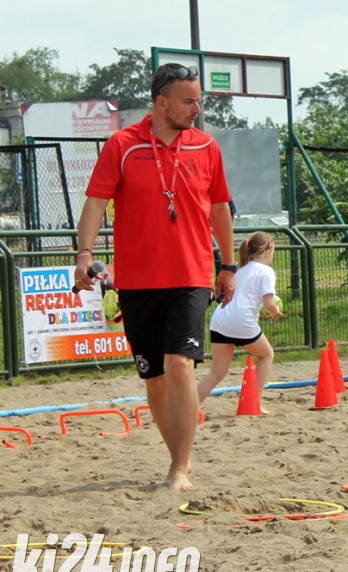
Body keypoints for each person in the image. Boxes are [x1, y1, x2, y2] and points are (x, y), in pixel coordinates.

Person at [76, 63, 236, 492]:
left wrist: (228, 264)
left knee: (180, 364)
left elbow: (220, 207)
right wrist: (84, 255)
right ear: (161, 102)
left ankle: (179, 469)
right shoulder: (122, 145)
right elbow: (95, 203)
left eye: (199, 99)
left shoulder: (206, 147)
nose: (197, 109)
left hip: (191, 275)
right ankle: (177, 459)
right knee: (156, 380)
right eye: (188, 100)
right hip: (137, 281)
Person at [197, 232, 281, 409]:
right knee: (266, 355)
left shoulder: (241, 270)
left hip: (220, 320)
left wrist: (259, 312)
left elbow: (242, 299)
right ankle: (253, 403)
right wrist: (275, 312)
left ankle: (188, 407)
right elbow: (268, 302)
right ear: (267, 251)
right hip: (240, 321)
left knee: (217, 372)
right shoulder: (266, 271)